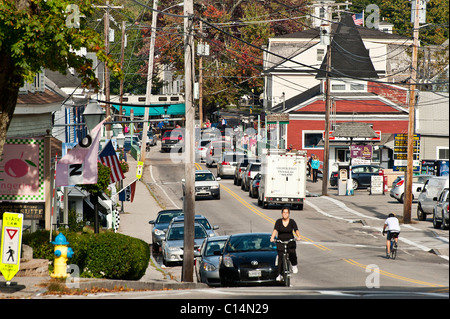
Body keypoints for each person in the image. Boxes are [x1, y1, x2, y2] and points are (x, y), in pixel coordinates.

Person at [270, 207, 301, 281]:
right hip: (280, 241)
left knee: (292, 252)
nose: (285, 214)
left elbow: (296, 229)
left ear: (289, 214)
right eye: (284, 212)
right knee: (280, 257)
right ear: (282, 213)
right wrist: (272, 237)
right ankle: (279, 274)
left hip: (290, 241)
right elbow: (275, 230)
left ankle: (294, 265)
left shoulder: (292, 221)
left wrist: (298, 236)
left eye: (286, 212)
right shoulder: (278, 221)